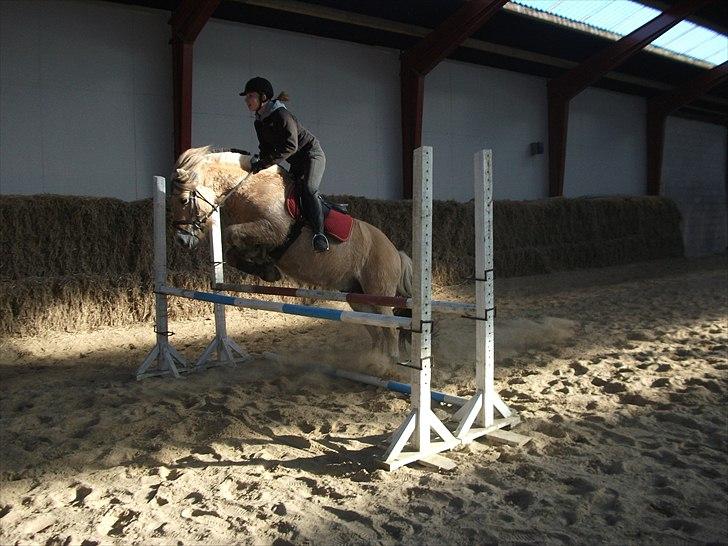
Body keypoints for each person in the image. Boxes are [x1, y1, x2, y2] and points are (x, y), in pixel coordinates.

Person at [240, 77, 329, 252]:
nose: (246, 100)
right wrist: (258, 164)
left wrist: (266, 162)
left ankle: (320, 234)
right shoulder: (259, 121)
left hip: (311, 155)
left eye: (250, 96)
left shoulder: (282, 115)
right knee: (288, 192)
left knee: (309, 188)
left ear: (263, 97)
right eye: (247, 97)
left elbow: (291, 145)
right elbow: (265, 149)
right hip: (295, 160)